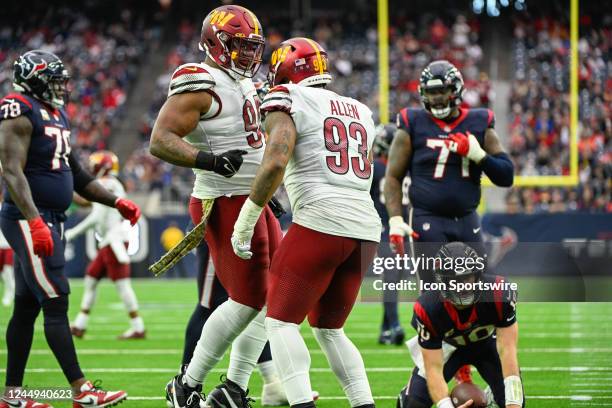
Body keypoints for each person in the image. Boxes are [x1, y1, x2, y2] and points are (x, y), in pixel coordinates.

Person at [232, 37, 381, 408]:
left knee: (280, 322)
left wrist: (246, 218)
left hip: (321, 221)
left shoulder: (289, 98)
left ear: (285, 69)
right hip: (365, 228)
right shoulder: (361, 109)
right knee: (330, 329)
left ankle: (301, 403)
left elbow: (277, 161)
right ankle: (364, 403)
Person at [149, 6, 281, 408]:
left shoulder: (239, 81)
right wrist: (206, 160)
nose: (247, 54)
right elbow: (160, 139)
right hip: (223, 200)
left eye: (251, 46)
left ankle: (234, 389)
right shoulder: (199, 80)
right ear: (215, 43)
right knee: (245, 298)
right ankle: (187, 384)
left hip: (253, 199)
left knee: (272, 296)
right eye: (238, 45)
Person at [0, 50, 139, 408]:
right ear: (34, 79)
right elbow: (12, 170)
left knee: (27, 306)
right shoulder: (17, 107)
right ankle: (81, 390)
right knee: (57, 298)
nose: (61, 86)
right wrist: (32, 219)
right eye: (54, 79)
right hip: (29, 216)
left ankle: (12, 396)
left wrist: (115, 201)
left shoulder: (56, 112)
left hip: (51, 217)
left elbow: (76, 173)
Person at [384, 60, 514, 382]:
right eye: (431, 93)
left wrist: (479, 155)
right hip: (428, 220)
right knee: (434, 297)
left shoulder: (479, 120)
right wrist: (396, 219)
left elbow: (506, 175)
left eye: (442, 92)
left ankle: (492, 368)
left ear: (455, 91)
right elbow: (392, 176)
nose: (437, 99)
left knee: (480, 291)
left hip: (468, 219)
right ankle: (452, 376)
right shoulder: (412, 122)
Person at [396, 242, 524, 408]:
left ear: (478, 276)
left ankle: (493, 396)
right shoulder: (428, 308)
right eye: (454, 280)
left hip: (486, 345)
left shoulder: (499, 293)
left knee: (515, 401)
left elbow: (507, 351)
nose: (462, 286)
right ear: (441, 281)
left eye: (467, 277)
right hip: (449, 348)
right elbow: (434, 369)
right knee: (412, 404)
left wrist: (513, 403)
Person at [66, 150, 145, 340]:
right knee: (91, 279)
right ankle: (80, 325)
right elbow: (89, 205)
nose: (91, 167)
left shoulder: (107, 183)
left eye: (95, 164)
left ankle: (138, 327)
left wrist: (72, 233)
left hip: (114, 240)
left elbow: (97, 216)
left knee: (122, 285)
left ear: (104, 166)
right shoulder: (112, 183)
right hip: (110, 240)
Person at [371, 123, 407, 345]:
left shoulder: (375, 167)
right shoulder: (404, 168)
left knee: (393, 279)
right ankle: (394, 325)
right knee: (393, 279)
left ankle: (386, 328)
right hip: (394, 229)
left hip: (386, 228)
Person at [0, 228, 15, 307]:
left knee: (8, 270)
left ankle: (10, 294)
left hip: (9, 245)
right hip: (0, 246)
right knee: (3, 273)